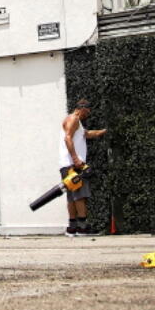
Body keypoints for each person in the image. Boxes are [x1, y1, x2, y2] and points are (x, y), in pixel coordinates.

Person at [60, 98, 107, 236]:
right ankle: (82, 228)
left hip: (68, 165)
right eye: (87, 112)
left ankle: (72, 228)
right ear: (81, 109)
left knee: (72, 196)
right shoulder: (73, 119)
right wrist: (75, 159)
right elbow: (67, 138)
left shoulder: (77, 123)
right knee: (79, 196)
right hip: (73, 165)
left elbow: (87, 134)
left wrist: (103, 131)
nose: (88, 115)